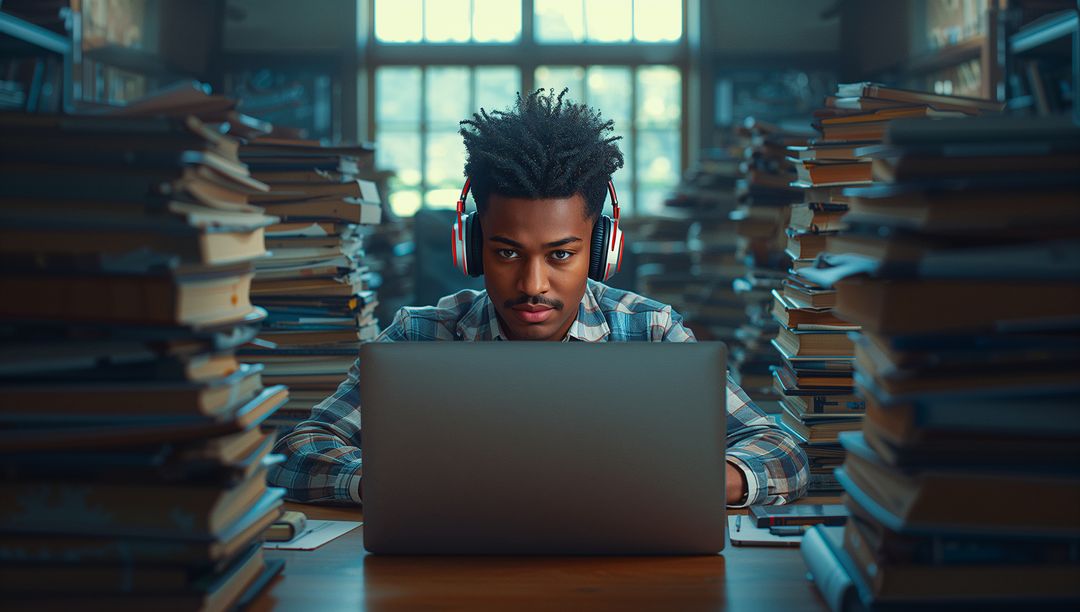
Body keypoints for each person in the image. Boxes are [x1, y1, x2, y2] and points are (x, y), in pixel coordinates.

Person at [268, 88, 809, 507]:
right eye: (506, 254)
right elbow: (299, 451)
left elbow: (780, 450)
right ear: (472, 246)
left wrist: (709, 479)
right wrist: (393, 486)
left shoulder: (653, 332)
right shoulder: (419, 334)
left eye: (560, 255)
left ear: (600, 249)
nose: (532, 285)